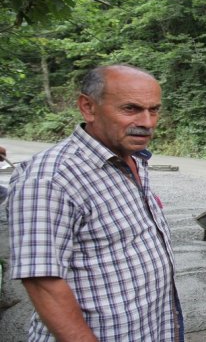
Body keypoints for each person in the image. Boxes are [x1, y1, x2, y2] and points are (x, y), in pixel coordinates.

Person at [7, 64, 183, 341]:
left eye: (154, 110)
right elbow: (42, 281)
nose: (147, 122)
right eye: (131, 109)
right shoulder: (51, 177)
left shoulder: (133, 159)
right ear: (88, 107)